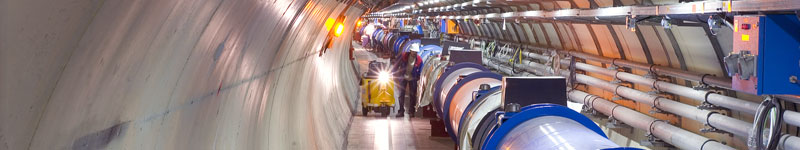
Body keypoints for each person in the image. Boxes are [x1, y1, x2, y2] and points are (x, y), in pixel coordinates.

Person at [393, 43, 423, 117]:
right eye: (413, 52)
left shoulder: (419, 60)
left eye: (416, 52)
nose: (414, 53)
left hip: (413, 78)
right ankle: (401, 111)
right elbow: (396, 64)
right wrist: (394, 72)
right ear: (410, 51)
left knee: (412, 95)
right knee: (401, 94)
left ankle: (411, 112)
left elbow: (421, 70)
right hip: (403, 77)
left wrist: (418, 77)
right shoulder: (403, 56)